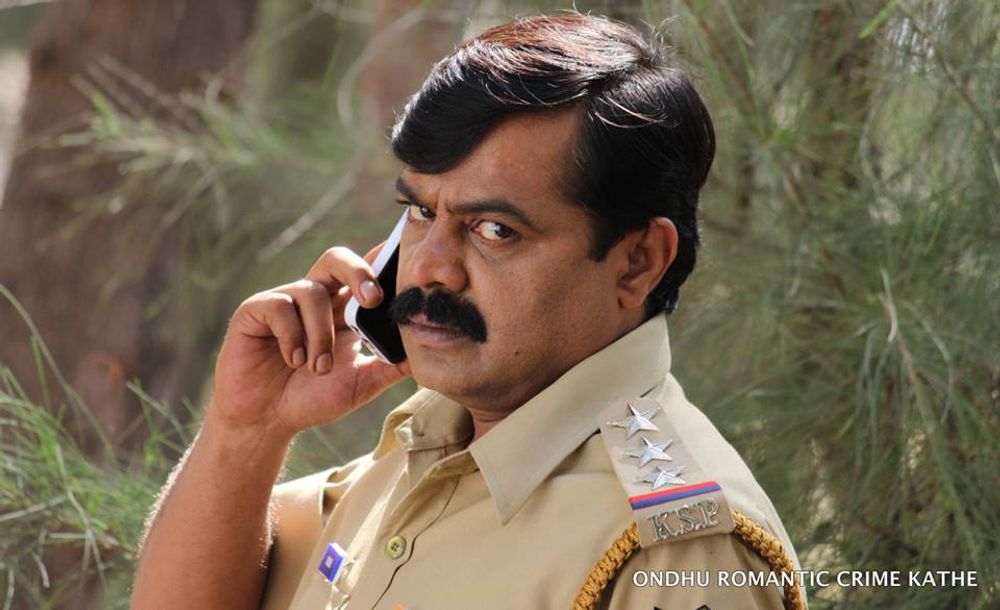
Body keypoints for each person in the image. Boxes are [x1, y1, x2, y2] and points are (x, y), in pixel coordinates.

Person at [131, 12, 806, 610]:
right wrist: (247, 430)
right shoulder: (428, 443)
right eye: (421, 211)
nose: (430, 266)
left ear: (638, 262)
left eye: (495, 230)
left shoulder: (674, 545)